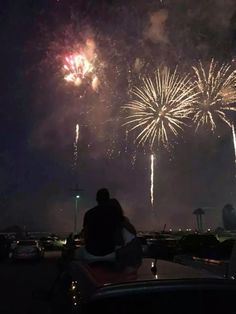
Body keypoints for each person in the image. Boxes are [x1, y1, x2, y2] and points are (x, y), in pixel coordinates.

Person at [74, 188, 142, 270]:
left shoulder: (89, 214)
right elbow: (128, 230)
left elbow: (86, 233)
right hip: (110, 252)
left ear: (96, 199)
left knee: (73, 257)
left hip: (91, 252)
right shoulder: (114, 213)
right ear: (108, 199)